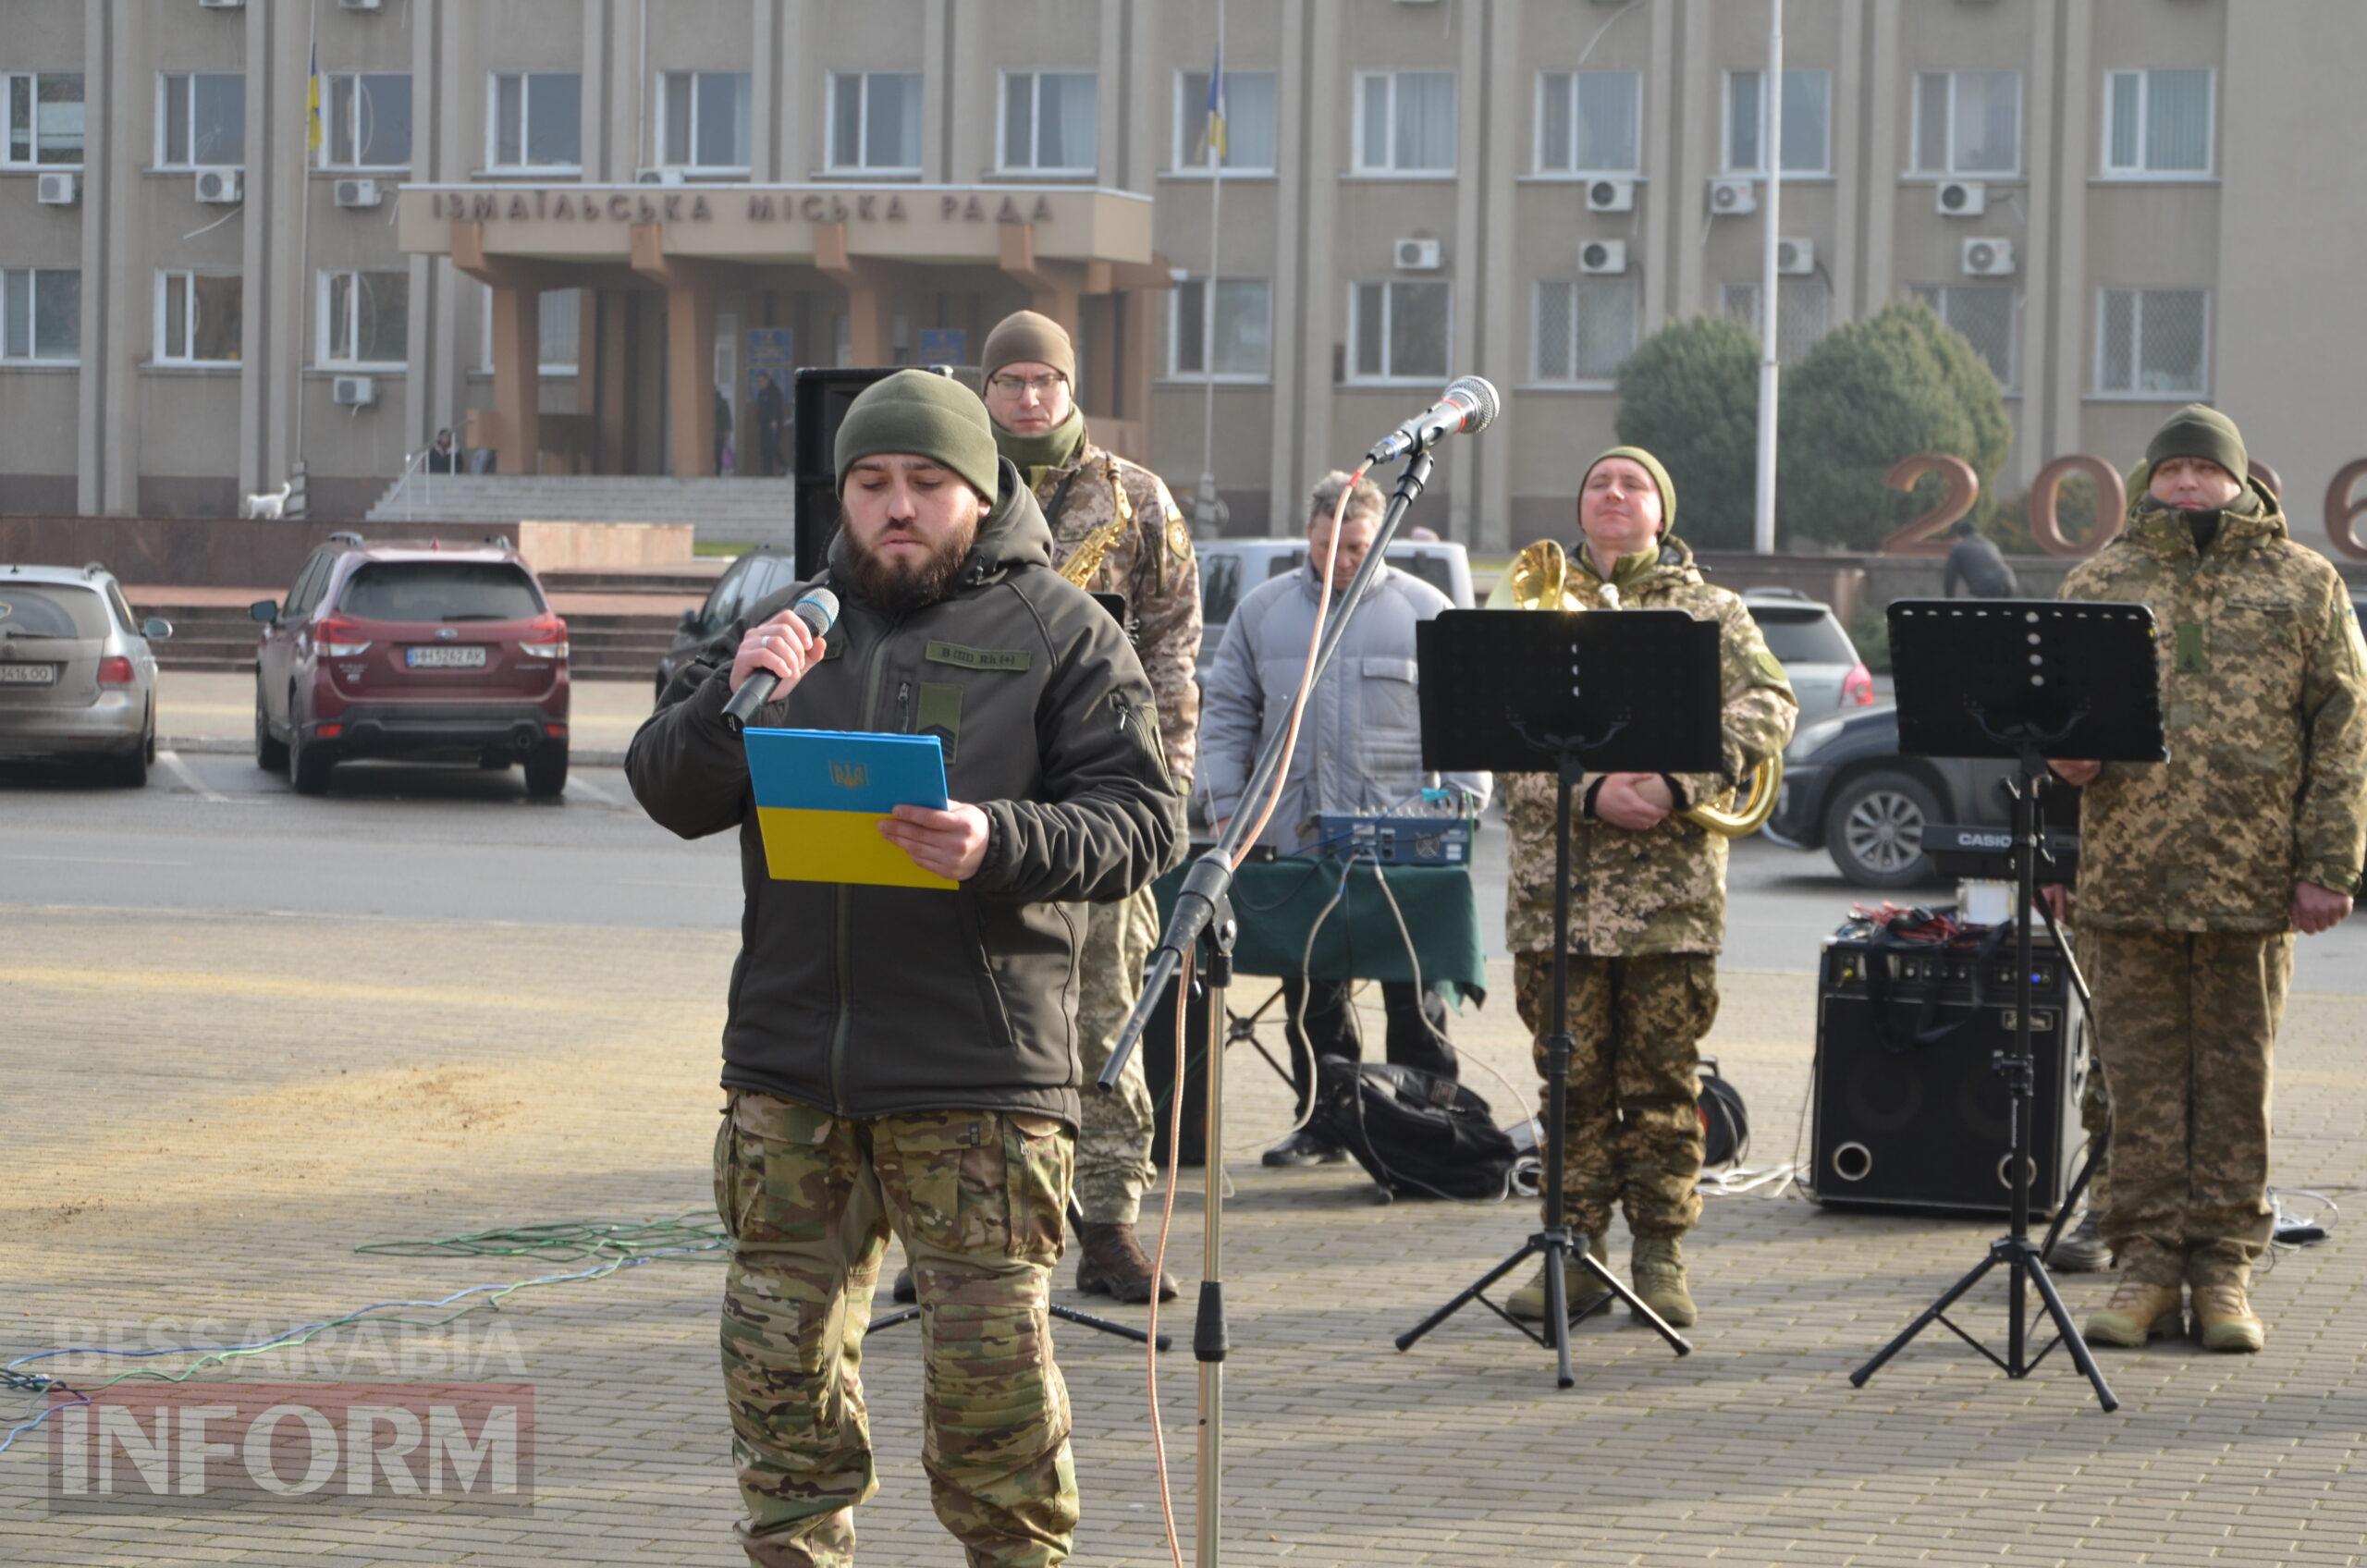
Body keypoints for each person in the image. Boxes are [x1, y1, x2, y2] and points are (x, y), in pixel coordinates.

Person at [627, 369, 1184, 1566]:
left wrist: (998, 840)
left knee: (995, 1419)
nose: (895, 506)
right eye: (871, 483)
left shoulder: (1061, 631)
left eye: (925, 483)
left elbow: (1144, 824)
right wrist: (728, 701)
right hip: (792, 1075)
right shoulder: (788, 624)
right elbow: (667, 789)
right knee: (779, 1392)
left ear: (978, 493)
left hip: (977, 1083)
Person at [2048, 404, 2365, 1354]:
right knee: (2137, 1085)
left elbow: (2343, 730)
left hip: (2250, 886)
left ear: (2239, 480)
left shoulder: (2302, 582)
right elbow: (2045, 711)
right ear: (2148, 482)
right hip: (2128, 878)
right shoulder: (2101, 578)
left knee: (2233, 1086)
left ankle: (2223, 1272)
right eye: (2171, 470)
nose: (2187, 485)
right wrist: (2060, 766)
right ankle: (2143, 1265)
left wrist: (2326, 866)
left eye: (2203, 470)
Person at [1501, 447, 1797, 1329]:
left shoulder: (1712, 609)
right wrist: (1590, 790)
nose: (1615, 495)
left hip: (1670, 903)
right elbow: (1496, 731)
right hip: (1556, 897)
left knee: (1665, 1087)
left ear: (1660, 513)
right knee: (1569, 1086)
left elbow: (1770, 706)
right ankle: (1575, 1252)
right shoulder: (1530, 604)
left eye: (1633, 486)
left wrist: (1672, 780)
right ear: (1581, 506)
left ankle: (1660, 1256)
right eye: (1598, 483)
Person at [975, 307, 1203, 1302]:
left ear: (1072, 390)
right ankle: (976, 1223)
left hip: (1103, 796)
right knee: (976, 1015)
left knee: (1109, 1014)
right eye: (1012, 381)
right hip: (980, 796)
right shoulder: (950, 484)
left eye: (1046, 382)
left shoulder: (1135, 498)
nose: (1030, 398)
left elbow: (1173, 649)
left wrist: (1168, 787)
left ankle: (1106, 1224)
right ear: (985, 393)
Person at [1194, 470, 1492, 1168]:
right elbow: (1228, 712)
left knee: (1416, 996)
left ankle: (1424, 1125)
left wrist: (1463, 802)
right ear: (1309, 534)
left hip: (1406, 845)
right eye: (1329, 545)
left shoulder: (1427, 608)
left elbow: (1468, 722)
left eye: (1357, 545)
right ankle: (1325, 1124)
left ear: (1380, 535)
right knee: (1312, 991)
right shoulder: (1263, 613)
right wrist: (1229, 808)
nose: (1341, 560)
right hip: (1297, 836)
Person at [1942, 517, 2018, 598]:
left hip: (1986, 587)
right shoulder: (1990, 544)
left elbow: (1950, 577)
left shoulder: (1958, 548)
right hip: (2009, 583)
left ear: (1960, 535)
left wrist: (1949, 599)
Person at [753, 371, 787, 477]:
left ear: (767, 380)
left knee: (773, 446)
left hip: (773, 424)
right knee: (764, 448)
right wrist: (758, 421)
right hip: (764, 424)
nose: (760, 383)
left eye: (762, 381)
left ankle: (783, 465)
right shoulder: (761, 393)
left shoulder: (774, 392)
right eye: (758, 382)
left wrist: (775, 420)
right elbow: (760, 409)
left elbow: (777, 407)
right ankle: (767, 471)